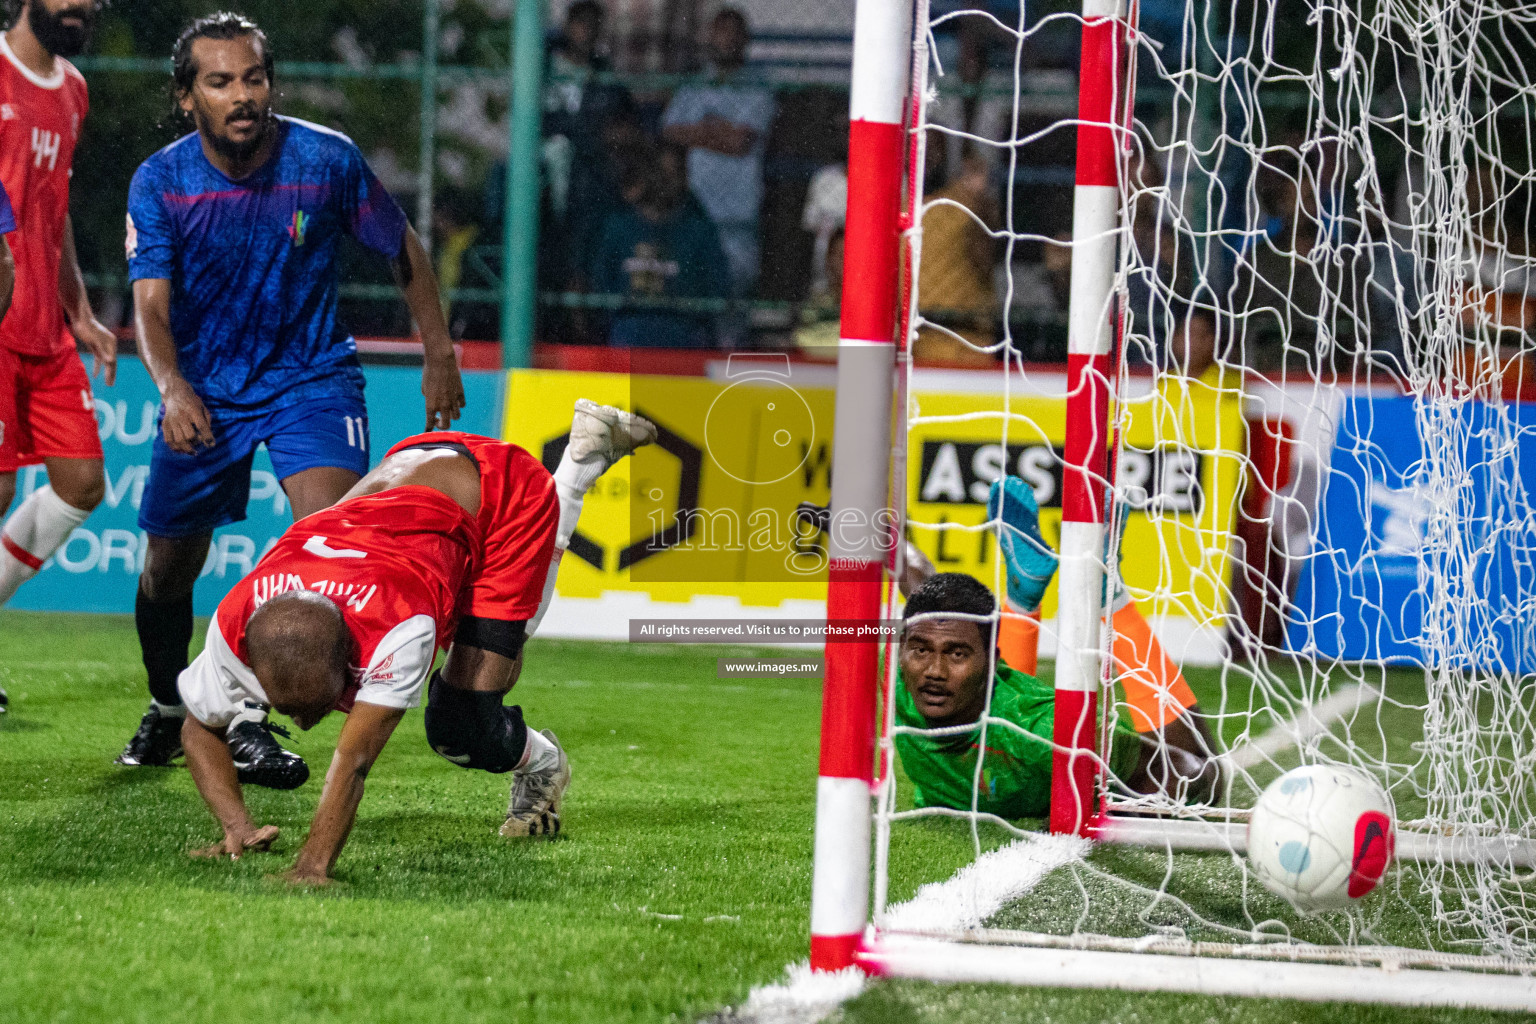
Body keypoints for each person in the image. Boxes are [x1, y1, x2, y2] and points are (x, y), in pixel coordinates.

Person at [117, 14, 466, 782]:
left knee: (325, 551)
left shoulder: (325, 159)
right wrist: (173, 387)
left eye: (253, 78)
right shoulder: (162, 182)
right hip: (206, 389)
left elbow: (401, 246)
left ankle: (249, 721)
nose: (241, 96)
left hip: (313, 379)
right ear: (187, 97)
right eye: (219, 82)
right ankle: (171, 707)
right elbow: (149, 306)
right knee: (167, 571)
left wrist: (438, 350)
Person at [179, 401, 656, 881]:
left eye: (315, 706)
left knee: (463, 723)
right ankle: (583, 459)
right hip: (414, 472)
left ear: (351, 659)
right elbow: (199, 727)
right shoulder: (236, 619)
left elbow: (355, 761)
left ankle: (577, 467)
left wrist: (312, 865)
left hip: (500, 493)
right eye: (286, 709)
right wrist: (236, 826)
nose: (302, 725)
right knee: (470, 692)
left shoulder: (399, 628)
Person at [894, 478, 1220, 818]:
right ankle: (1025, 596)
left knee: (1210, 780)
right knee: (943, 631)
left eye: (956, 654)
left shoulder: (1052, 730)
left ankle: (1108, 593)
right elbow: (920, 586)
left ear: (996, 659)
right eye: (919, 650)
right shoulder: (902, 663)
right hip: (1004, 727)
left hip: (1032, 737)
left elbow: (1194, 776)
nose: (933, 670)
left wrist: (1102, 808)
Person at [0, 0, 118, 644]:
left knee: (80, 483)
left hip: (46, 331)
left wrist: (80, 312)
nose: (82, 4)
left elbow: (55, 205)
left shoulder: (73, 88)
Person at [660, 7, 774, 298]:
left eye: (732, 34)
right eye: (719, 33)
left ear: (744, 39)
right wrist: (719, 131)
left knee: (734, 297)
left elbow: (740, 143)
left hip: (739, 211)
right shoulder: (695, 84)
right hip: (697, 206)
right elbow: (670, 131)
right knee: (695, 293)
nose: (724, 41)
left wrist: (698, 132)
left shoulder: (758, 85)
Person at [590, 141, 729, 348]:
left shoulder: (699, 231)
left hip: (683, 335)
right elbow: (599, 286)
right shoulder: (618, 227)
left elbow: (718, 290)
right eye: (661, 174)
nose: (667, 183)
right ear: (645, 176)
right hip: (628, 333)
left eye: (676, 174)